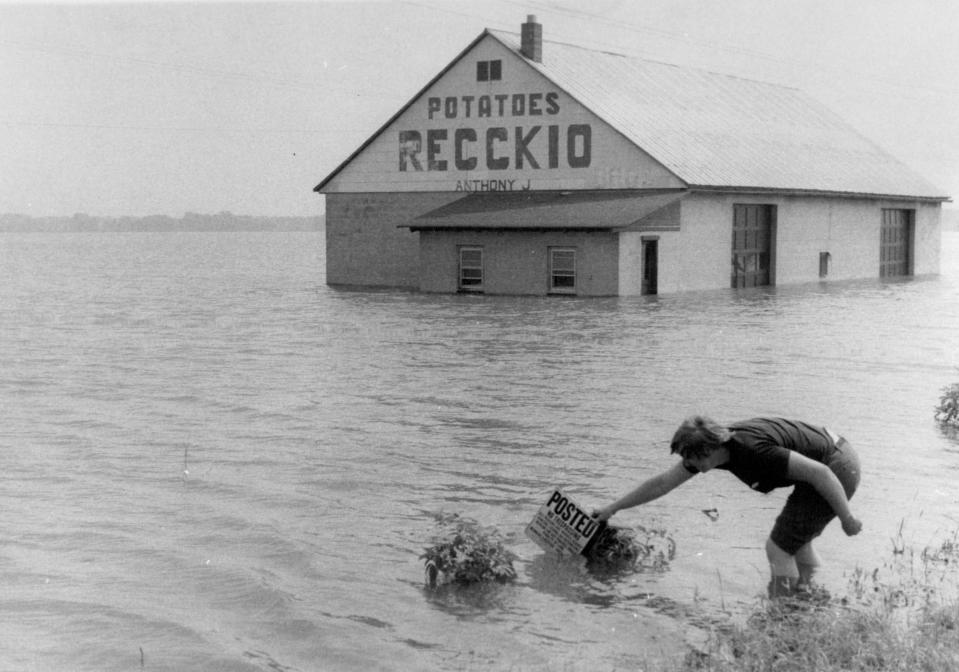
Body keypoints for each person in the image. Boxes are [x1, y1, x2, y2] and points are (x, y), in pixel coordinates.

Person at [593, 416, 862, 598]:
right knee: (796, 543)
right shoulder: (713, 452)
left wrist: (846, 518)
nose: (694, 467)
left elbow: (822, 474)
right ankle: (808, 597)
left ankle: (783, 619)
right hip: (827, 463)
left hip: (837, 465)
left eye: (696, 460)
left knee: (778, 548)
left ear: (713, 447)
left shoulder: (754, 450)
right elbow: (662, 484)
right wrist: (612, 508)